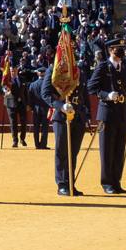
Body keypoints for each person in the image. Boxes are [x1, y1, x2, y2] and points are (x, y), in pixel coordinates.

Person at [88, 39, 126, 194]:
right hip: (107, 113)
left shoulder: (124, 66)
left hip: (121, 113)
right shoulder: (103, 66)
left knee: (119, 150)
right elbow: (91, 87)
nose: (121, 51)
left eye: (123, 48)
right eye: (118, 49)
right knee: (107, 150)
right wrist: (107, 95)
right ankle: (107, 183)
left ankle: (116, 181)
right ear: (110, 50)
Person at [42, 69, 89, 197]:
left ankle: (70, 183)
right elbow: (45, 93)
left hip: (78, 117)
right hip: (62, 116)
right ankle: (62, 184)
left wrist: (87, 115)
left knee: (73, 152)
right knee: (62, 151)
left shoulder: (79, 70)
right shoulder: (54, 69)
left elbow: (84, 94)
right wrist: (60, 106)